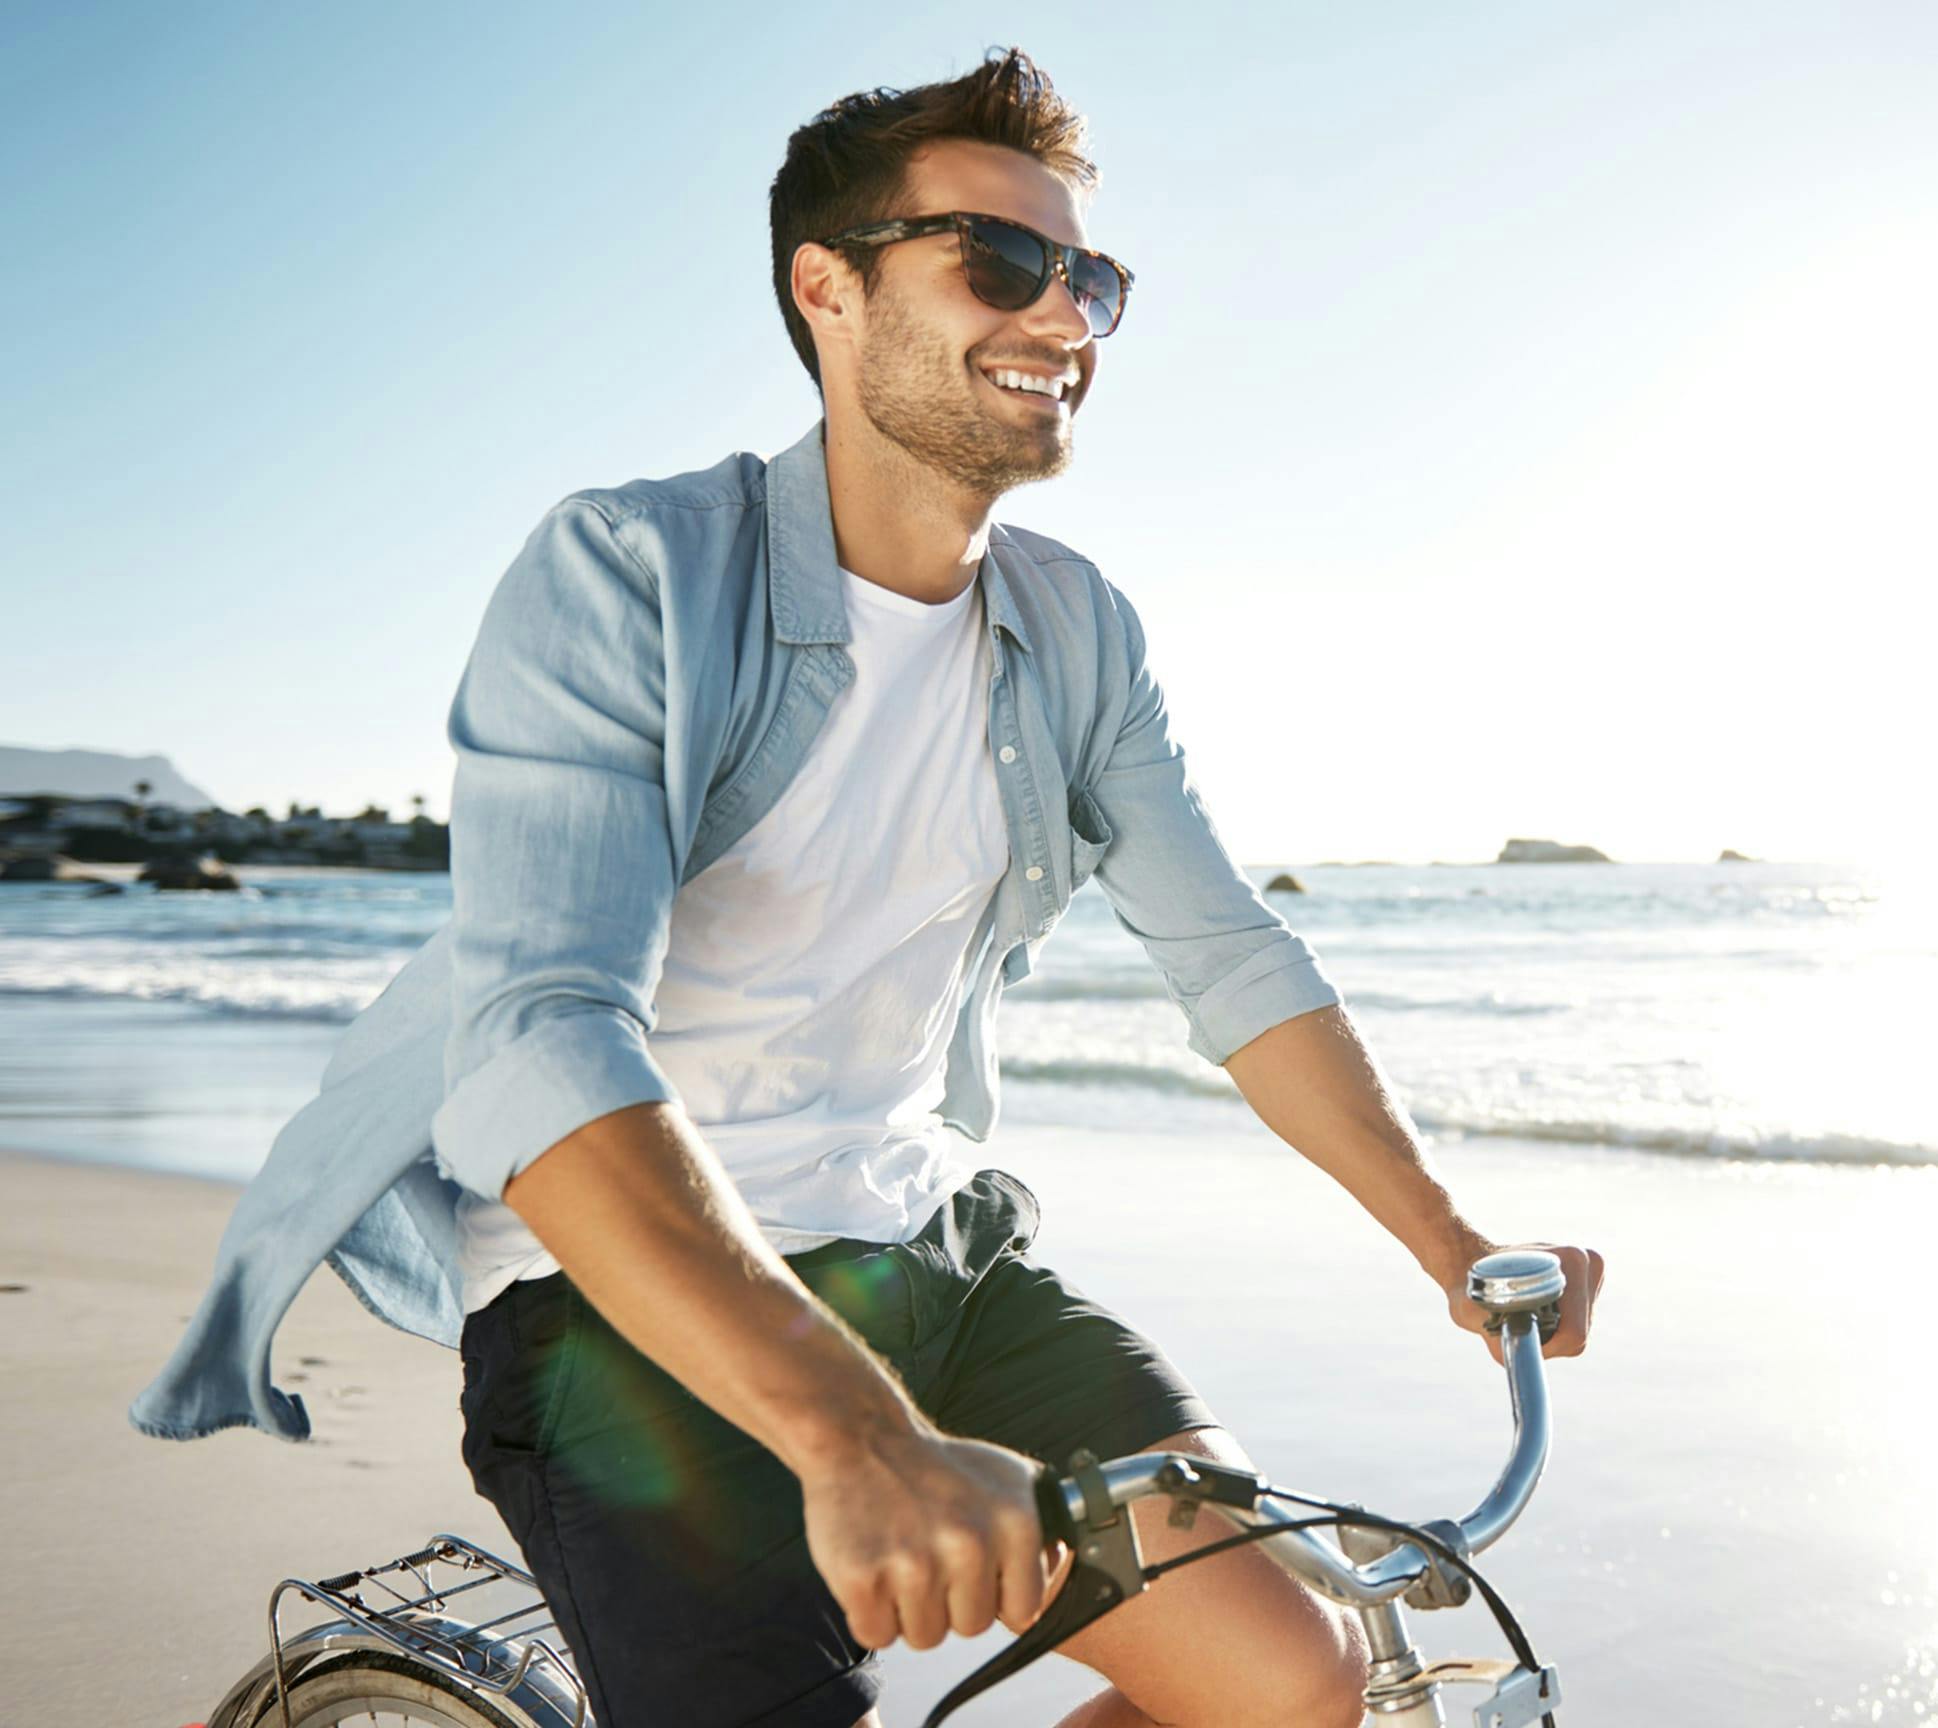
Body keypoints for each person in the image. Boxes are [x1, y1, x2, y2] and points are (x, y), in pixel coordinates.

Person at [131, 44, 1603, 1728]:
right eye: (1001, 262)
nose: (1063, 318)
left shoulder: (1074, 628)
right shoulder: (631, 572)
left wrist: (1456, 1241)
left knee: (1290, 1677)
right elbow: (546, 1035)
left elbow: (1234, 962)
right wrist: (852, 1433)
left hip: (932, 1250)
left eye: (1092, 280)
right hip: (621, 1312)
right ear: (824, 289)